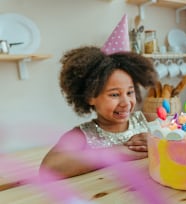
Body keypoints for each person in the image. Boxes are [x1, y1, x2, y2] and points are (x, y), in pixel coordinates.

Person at [39, 46, 158, 179]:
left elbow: (182, 128)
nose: (125, 103)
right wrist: (119, 151)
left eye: (130, 92)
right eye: (114, 94)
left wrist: (158, 139)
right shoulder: (82, 135)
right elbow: (48, 168)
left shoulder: (148, 120)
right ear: (90, 97)